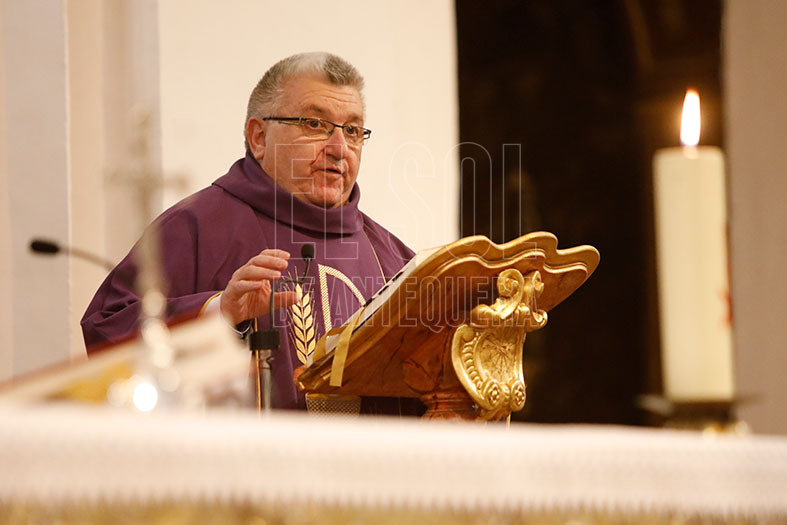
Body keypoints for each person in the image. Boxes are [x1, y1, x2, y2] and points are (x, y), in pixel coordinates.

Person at [82, 52, 421, 414]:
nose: (339, 149)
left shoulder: (395, 260)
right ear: (259, 137)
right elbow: (107, 332)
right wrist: (220, 313)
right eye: (315, 124)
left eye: (352, 131)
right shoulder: (198, 226)